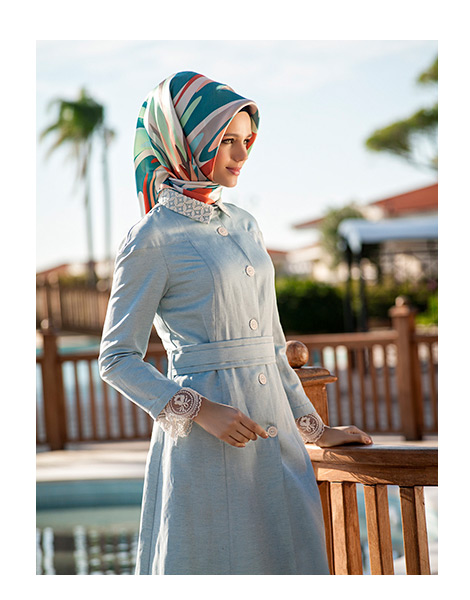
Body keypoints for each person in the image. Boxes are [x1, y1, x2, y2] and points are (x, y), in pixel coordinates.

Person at [99, 71, 372, 576]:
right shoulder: (151, 238)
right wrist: (200, 410)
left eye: (247, 140)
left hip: (276, 437)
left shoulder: (246, 224)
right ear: (187, 142)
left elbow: (272, 345)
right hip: (207, 442)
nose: (242, 154)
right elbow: (116, 359)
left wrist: (315, 429)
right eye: (227, 140)